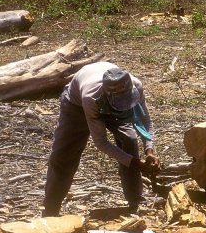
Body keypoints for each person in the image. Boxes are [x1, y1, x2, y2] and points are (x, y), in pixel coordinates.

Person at [43, 62, 160, 216]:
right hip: (76, 104)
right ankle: (51, 209)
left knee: (129, 140)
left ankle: (135, 202)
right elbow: (101, 142)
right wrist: (137, 163)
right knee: (63, 155)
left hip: (110, 105)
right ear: (108, 96)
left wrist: (149, 150)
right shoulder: (90, 97)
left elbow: (145, 121)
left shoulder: (136, 85)